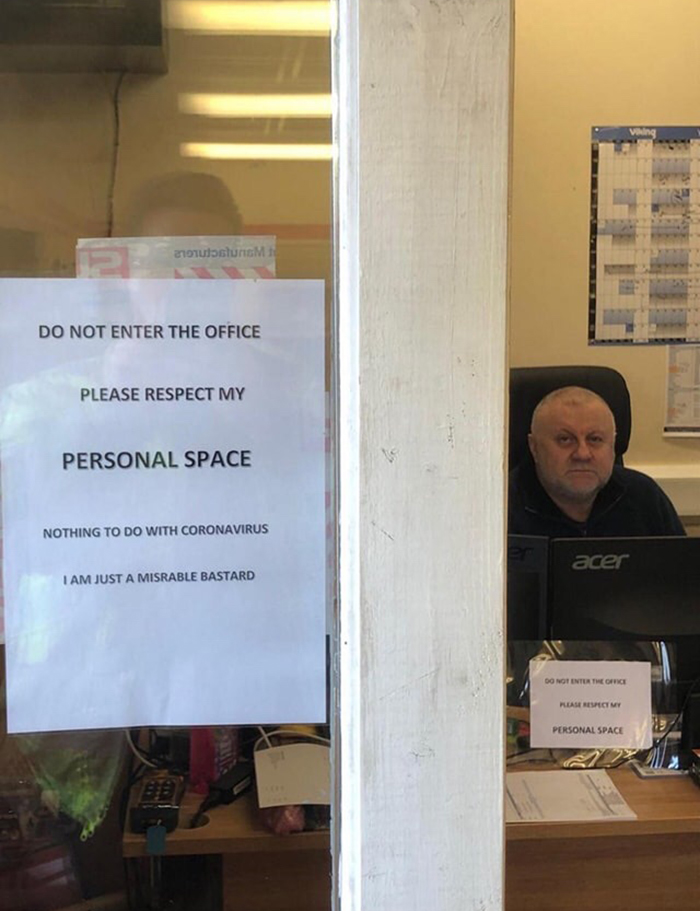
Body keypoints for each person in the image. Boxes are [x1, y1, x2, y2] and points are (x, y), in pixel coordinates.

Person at [508, 385, 685, 538]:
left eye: (595, 439)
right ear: (534, 447)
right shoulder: (502, 506)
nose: (582, 454)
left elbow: (682, 567)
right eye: (565, 439)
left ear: (613, 445)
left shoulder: (644, 497)